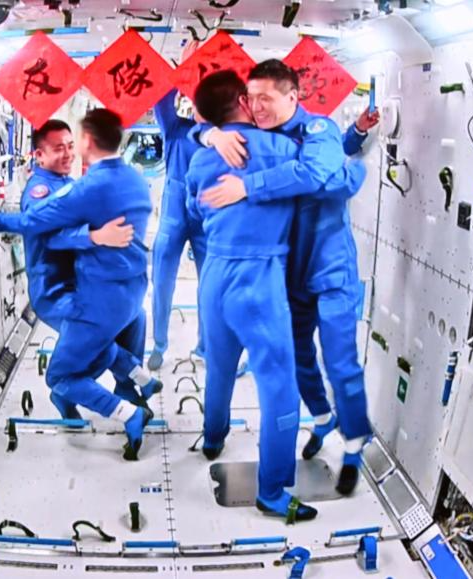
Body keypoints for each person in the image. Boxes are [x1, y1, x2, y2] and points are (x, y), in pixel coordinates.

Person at [198, 59, 377, 496]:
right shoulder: (266, 140)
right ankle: (322, 418)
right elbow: (195, 131)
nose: (257, 107)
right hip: (289, 274)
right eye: (251, 98)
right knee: (298, 359)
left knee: (340, 362)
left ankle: (354, 444)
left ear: (292, 97)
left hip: (330, 268)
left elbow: (317, 173)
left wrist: (248, 186)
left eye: (266, 98)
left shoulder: (317, 131)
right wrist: (209, 133)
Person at [0, 109, 157, 460]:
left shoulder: (75, 184)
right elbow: (43, 234)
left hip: (83, 288)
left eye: (71, 145)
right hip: (56, 290)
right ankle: (127, 391)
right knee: (84, 354)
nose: (68, 153)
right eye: (58, 148)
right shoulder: (42, 190)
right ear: (39, 155)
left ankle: (108, 393)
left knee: (107, 337)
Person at [187, 70, 325, 522]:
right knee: (280, 387)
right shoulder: (284, 150)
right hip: (260, 279)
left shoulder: (200, 159)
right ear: (245, 103)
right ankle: (272, 491)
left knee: (220, 367)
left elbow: (194, 209)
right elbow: (317, 172)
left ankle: (213, 438)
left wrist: (208, 135)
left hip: (214, 275)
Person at [148, 39, 208, 371]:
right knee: (162, 281)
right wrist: (186, 69)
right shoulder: (175, 130)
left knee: (209, 285)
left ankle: (205, 346)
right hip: (173, 217)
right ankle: (159, 343)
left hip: (206, 217)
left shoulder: (221, 136)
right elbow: (161, 98)